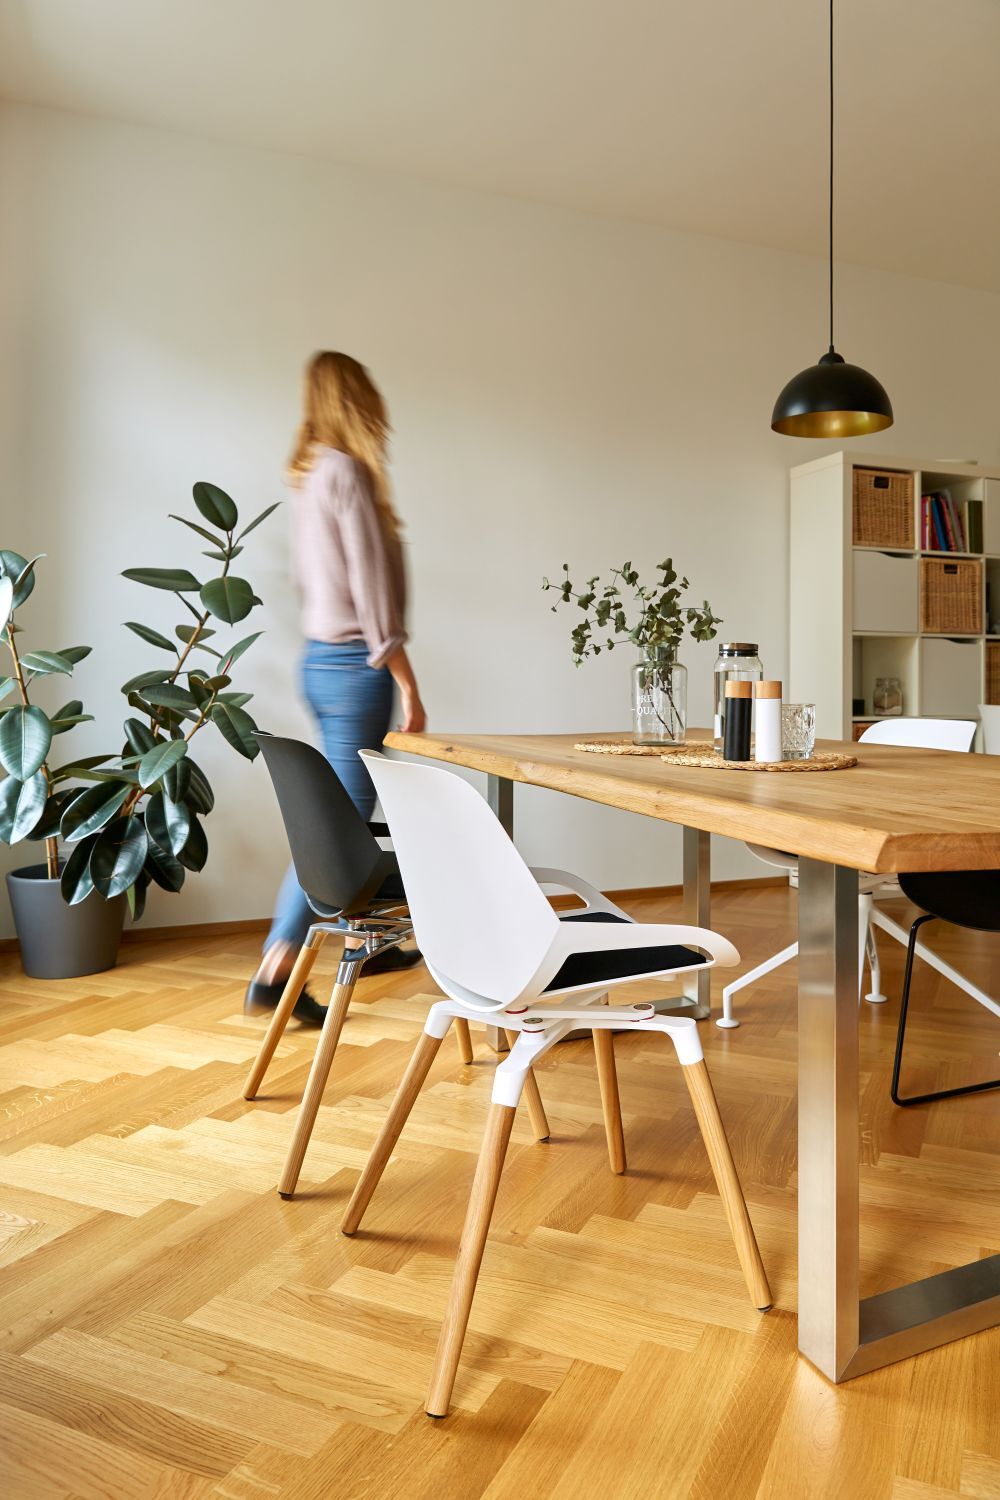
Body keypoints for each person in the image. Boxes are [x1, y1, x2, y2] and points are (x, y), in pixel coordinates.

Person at [245, 352, 426, 1024]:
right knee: (337, 830)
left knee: (336, 819)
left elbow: (313, 583)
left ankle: (363, 947)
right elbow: (373, 596)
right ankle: (276, 971)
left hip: (319, 662)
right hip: (357, 669)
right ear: (356, 398)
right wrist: (408, 682)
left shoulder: (309, 475)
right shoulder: (347, 472)